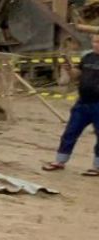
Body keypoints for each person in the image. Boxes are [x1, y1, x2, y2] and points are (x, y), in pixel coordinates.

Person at [42, 32, 99, 176]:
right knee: (70, 132)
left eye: (98, 42)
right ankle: (60, 161)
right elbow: (76, 75)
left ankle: (97, 166)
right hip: (83, 103)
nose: (96, 45)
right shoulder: (88, 57)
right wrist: (68, 67)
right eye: (94, 42)